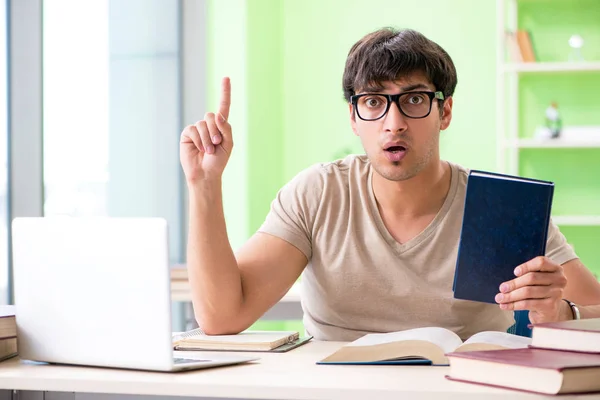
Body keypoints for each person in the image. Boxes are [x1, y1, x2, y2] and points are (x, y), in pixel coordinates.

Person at [179, 28, 600, 341]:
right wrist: (204, 184)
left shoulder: (502, 207)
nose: (393, 123)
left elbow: (593, 312)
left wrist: (562, 313)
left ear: (445, 111)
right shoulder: (318, 193)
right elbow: (222, 317)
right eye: (373, 102)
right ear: (353, 117)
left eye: (414, 99)